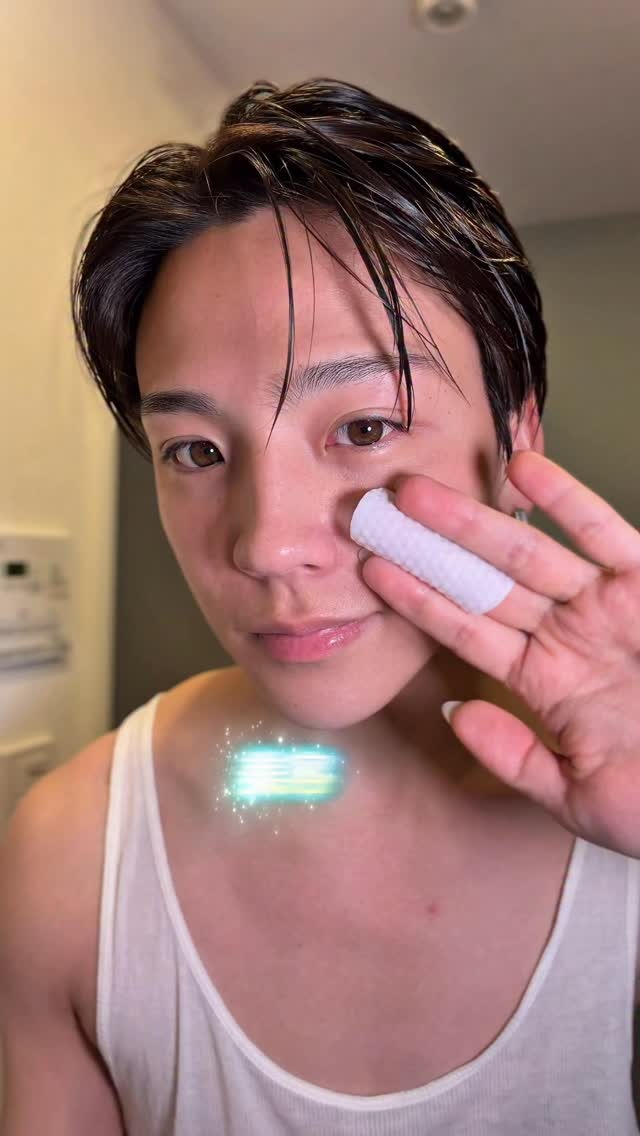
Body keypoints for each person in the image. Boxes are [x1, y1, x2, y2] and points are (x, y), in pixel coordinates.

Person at [1, 78, 639, 1136]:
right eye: (194, 450)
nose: (264, 543)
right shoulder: (70, 859)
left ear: (515, 433)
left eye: (365, 428)